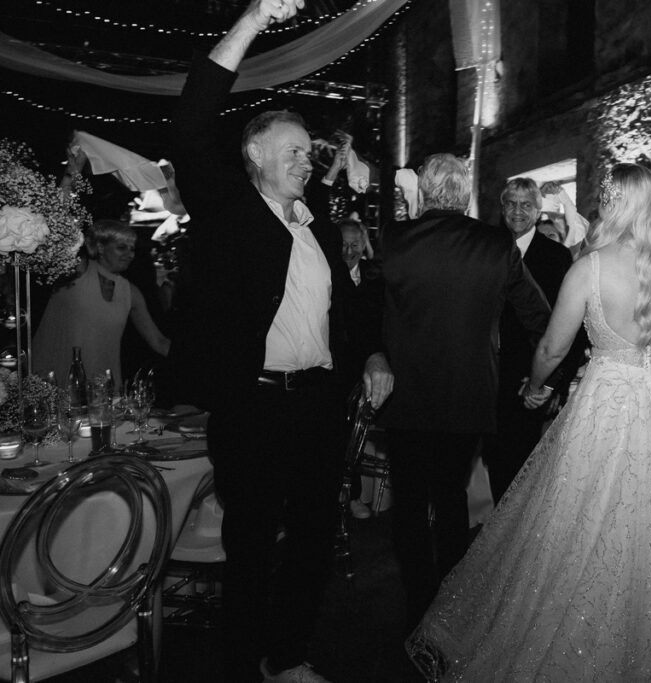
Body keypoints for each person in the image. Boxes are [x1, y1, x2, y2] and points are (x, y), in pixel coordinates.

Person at [407, 133, 651, 681]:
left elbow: (552, 347)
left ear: (615, 203)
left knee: (584, 517)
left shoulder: (590, 268)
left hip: (610, 401)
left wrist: (533, 386)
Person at [170, 1, 393, 681]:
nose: (307, 159)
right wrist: (255, 18)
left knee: (314, 538)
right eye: (292, 150)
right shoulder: (230, 211)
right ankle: (242, 661)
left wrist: (376, 352)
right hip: (255, 407)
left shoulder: (318, 225)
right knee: (251, 543)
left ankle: (288, 655)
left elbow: (345, 311)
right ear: (254, 156)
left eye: (309, 150)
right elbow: (189, 125)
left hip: (316, 405)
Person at [376, 153, 552, 633]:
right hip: (470, 397)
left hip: (406, 399)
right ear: (465, 196)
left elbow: (371, 313)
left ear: (427, 195)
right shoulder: (497, 246)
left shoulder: (394, 239)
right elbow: (539, 316)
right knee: (452, 499)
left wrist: (375, 355)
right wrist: (546, 376)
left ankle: (418, 604)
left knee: (410, 505)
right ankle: (451, 606)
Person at [483, 177, 581, 505]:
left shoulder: (555, 257)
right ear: (501, 208)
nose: (517, 211)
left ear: (539, 212)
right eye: (510, 203)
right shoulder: (485, 250)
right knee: (493, 459)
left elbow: (565, 325)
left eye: (526, 205)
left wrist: (551, 381)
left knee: (524, 466)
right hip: (486, 374)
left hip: (530, 377)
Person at [33, 219, 170, 388]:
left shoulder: (130, 292)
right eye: (122, 247)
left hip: (103, 390)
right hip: (56, 382)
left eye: (132, 249)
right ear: (100, 248)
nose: (130, 254)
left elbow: (158, 341)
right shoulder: (79, 270)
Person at [337, 218, 383, 520]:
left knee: (357, 437)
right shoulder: (327, 274)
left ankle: (350, 494)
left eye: (355, 244)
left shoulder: (375, 275)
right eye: (343, 244)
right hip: (335, 370)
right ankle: (343, 495)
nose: (349, 250)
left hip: (368, 367)